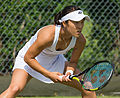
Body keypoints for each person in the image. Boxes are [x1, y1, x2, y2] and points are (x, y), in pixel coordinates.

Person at [0, 5, 96, 98]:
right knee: (15, 89)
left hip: (55, 61)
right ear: (64, 23)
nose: (80, 26)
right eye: (76, 22)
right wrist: (49, 74)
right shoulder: (48, 35)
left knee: (87, 87)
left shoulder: (80, 40)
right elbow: (28, 58)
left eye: (82, 22)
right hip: (30, 59)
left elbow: (73, 62)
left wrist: (69, 72)